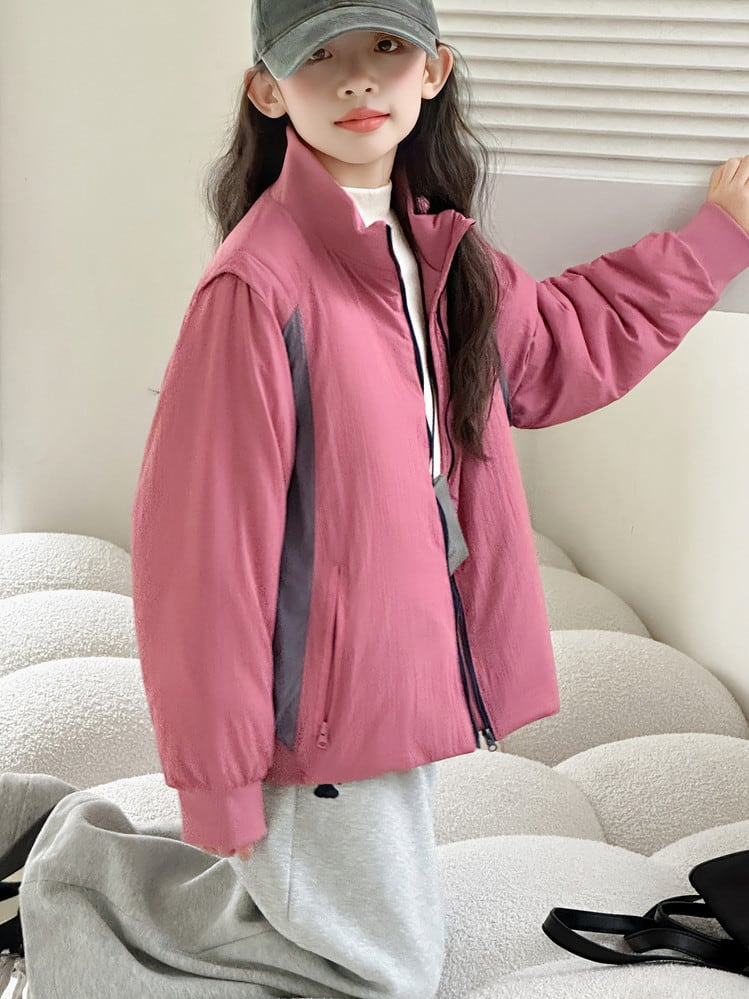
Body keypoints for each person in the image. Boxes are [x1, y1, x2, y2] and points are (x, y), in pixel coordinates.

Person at [7, 0, 749, 996]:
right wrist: (218, 780)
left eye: (386, 47)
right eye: (320, 55)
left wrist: (712, 243)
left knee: (336, 930)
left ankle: (66, 861)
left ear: (432, 71)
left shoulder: (434, 250)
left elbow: (557, 349)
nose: (358, 77)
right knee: (379, 971)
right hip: (314, 700)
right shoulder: (256, 288)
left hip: (405, 663)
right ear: (268, 91)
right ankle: (60, 893)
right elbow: (206, 560)